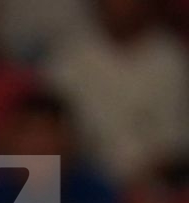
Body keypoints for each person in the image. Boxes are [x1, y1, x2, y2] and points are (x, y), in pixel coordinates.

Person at [46, 0, 189, 187]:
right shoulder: (67, 55)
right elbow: (51, 128)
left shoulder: (172, 58)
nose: (123, 6)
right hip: (82, 180)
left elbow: (178, 137)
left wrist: (149, 174)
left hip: (160, 184)